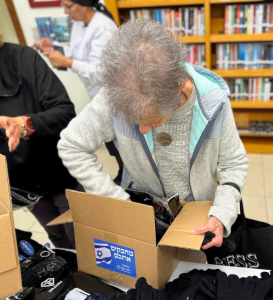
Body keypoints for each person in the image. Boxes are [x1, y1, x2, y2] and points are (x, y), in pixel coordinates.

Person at [58, 20, 249, 257]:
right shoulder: (113, 95)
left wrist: (221, 214)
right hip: (143, 213)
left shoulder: (213, 103)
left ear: (179, 88)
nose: (144, 130)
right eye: (135, 121)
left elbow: (234, 164)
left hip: (201, 215)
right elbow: (71, 145)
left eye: (154, 119)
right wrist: (115, 198)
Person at [0, 35, 83, 249]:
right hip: (21, 184)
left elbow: (64, 111)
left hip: (58, 170)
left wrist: (24, 125)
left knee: (84, 236)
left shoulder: (25, 58)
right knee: (57, 239)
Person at [33, 0, 123, 184]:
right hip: (96, 94)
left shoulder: (103, 28)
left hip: (114, 94)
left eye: (69, 6)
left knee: (121, 140)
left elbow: (102, 73)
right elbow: (78, 52)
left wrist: (67, 63)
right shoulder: (78, 24)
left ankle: (128, 174)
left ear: (83, 4)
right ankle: (123, 171)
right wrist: (54, 48)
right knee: (111, 140)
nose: (66, 11)